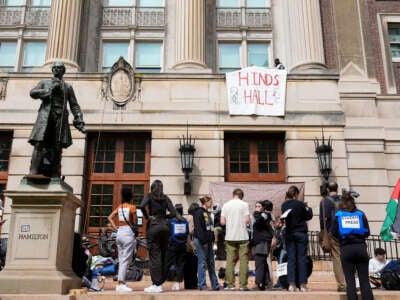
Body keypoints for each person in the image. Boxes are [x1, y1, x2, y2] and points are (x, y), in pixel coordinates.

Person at [28, 61, 85, 178]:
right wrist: (48, 91)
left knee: (57, 145)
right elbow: (32, 93)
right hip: (45, 117)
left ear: (63, 71)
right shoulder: (44, 82)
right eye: (55, 68)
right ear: (52, 70)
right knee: (39, 143)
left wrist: (78, 119)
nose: (57, 70)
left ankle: (55, 174)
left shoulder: (68, 87)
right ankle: (33, 172)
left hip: (60, 118)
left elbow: (74, 105)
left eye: (59, 68)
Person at [330, 192, 373, 300]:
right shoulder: (360, 214)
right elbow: (367, 232)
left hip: (346, 249)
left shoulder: (338, 215)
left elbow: (333, 232)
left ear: (341, 203)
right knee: (364, 280)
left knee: (350, 281)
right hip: (360, 248)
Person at [141, 180, 181, 293]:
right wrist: (164, 217)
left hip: (154, 227)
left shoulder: (149, 196)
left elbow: (142, 206)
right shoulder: (166, 198)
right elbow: (173, 213)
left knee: (154, 256)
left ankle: (156, 284)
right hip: (165, 227)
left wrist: (148, 217)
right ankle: (160, 281)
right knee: (163, 255)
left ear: (152, 187)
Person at [281, 185, 313, 292]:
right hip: (300, 233)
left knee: (291, 259)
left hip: (290, 233)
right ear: (295, 194)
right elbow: (308, 216)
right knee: (302, 258)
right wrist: (308, 208)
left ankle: (291, 284)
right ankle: (303, 284)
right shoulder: (300, 204)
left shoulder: (284, 205)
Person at [107, 188, 137, 293]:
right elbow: (135, 222)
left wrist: (115, 228)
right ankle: (121, 283)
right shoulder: (132, 207)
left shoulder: (120, 207)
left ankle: (121, 282)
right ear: (131, 197)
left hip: (119, 233)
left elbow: (110, 217)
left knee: (121, 259)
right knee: (125, 260)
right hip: (128, 233)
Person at [220, 188, 250, 291]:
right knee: (243, 261)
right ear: (241, 196)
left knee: (230, 261)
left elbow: (222, 222)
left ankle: (230, 285)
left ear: (233, 195)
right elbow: (247, 220)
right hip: (242, 236)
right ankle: (243, 285)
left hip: (230, 236)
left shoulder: (226, 205)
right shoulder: (244, 204)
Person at [319, 181, 346, 292]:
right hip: (346, 232)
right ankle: (351, 282)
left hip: (332, 233)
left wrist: (323, 233)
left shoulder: (324, 201)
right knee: (347, 258)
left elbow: (322, 220)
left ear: (328, 190)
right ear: (337, 188)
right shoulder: (345, 200)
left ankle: (342, 285)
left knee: (337, 258)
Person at [193, 196, 220, 291]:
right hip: (201, 240)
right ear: (205, 202)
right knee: (202, 263)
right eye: (210, 202)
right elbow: (199, 228)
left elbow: (210, 227)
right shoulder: (198, 212)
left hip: (208, 241)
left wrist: (212, 240)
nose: (211, 203)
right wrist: (203, 241)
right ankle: (202, 284)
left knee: (211, 262)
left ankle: (215, 284)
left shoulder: (208, 213)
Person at [251, 200, 274, 291]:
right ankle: (266, 282)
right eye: (256, 206)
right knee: (263, 262)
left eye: (259, 206)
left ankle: (258, 283)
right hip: (260, 241)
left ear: (264, 208)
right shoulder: (264, 215)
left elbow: (258, 217)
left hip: (262, 242)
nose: (257, 208)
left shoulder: (264, 215)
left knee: (259, 262)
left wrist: (256, 211)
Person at [165, 204, 189, 291]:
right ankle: (177, 283)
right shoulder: (185, 221)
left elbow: (167, 233)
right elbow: (187, 233)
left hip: (172, 245)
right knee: (180, 265)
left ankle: (159, 282)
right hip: (182, 245)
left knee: (167, 263)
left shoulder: (171, 221)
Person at [184, 202, 199, 289]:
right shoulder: (192, 218)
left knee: (188, 266)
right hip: (190, 245)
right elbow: (190, 232)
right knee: (192, 266)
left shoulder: (187, 217)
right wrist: (193, 247)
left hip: (186, 245)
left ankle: (188, 284)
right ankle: (192, 284)